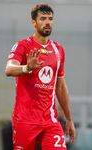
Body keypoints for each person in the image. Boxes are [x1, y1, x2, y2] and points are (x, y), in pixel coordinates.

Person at [5, 3, 76, 150]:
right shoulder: (22, 46)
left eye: (50, 18)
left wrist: (69, 119)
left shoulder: (58, 50)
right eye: (43, 18)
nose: (47, 22)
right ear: (33, 22)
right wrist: (27, 68)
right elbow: (9, 69)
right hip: (25, 121)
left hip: (49, 121)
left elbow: (61, 86)